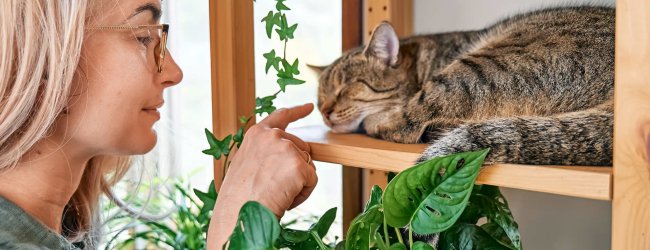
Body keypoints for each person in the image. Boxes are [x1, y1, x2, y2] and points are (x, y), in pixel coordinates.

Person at [0, 0, 318, 249]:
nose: (174, 73)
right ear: (37, 59)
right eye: (142, 37)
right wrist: (236, 228)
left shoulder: (69, 225)